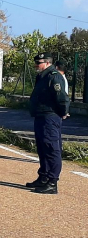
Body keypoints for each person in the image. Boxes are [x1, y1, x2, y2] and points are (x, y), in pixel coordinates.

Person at [26, 52, 70, 194]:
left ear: (47, 63)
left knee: (51, 148)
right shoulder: (42, 76)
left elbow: (62, 97)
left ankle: (52, 181)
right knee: (42, 147)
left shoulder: (54, 76)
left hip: (50, 117)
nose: (36, 66)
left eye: (38, 63)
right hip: (40, 116)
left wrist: (63, 112)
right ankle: (43, 177)